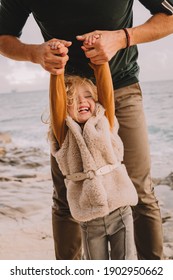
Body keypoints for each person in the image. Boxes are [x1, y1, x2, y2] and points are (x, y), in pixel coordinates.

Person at [0, 0, 173, 260]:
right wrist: (35, 53)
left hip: (122, 88)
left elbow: (169, 16)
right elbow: (3, 36)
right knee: (66, 195)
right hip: (68, 97)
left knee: (140, 191)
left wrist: (122, 38)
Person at [48, 40, 138, 259]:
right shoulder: (64, 134)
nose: (82, 101)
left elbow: (107, 94)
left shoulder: (104, 123)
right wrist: (57, 70)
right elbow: (57, 104)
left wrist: (101, 64)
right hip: (89, 218)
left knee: (126, 264)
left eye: (88, 96)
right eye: (73, 99)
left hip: (120, 209)